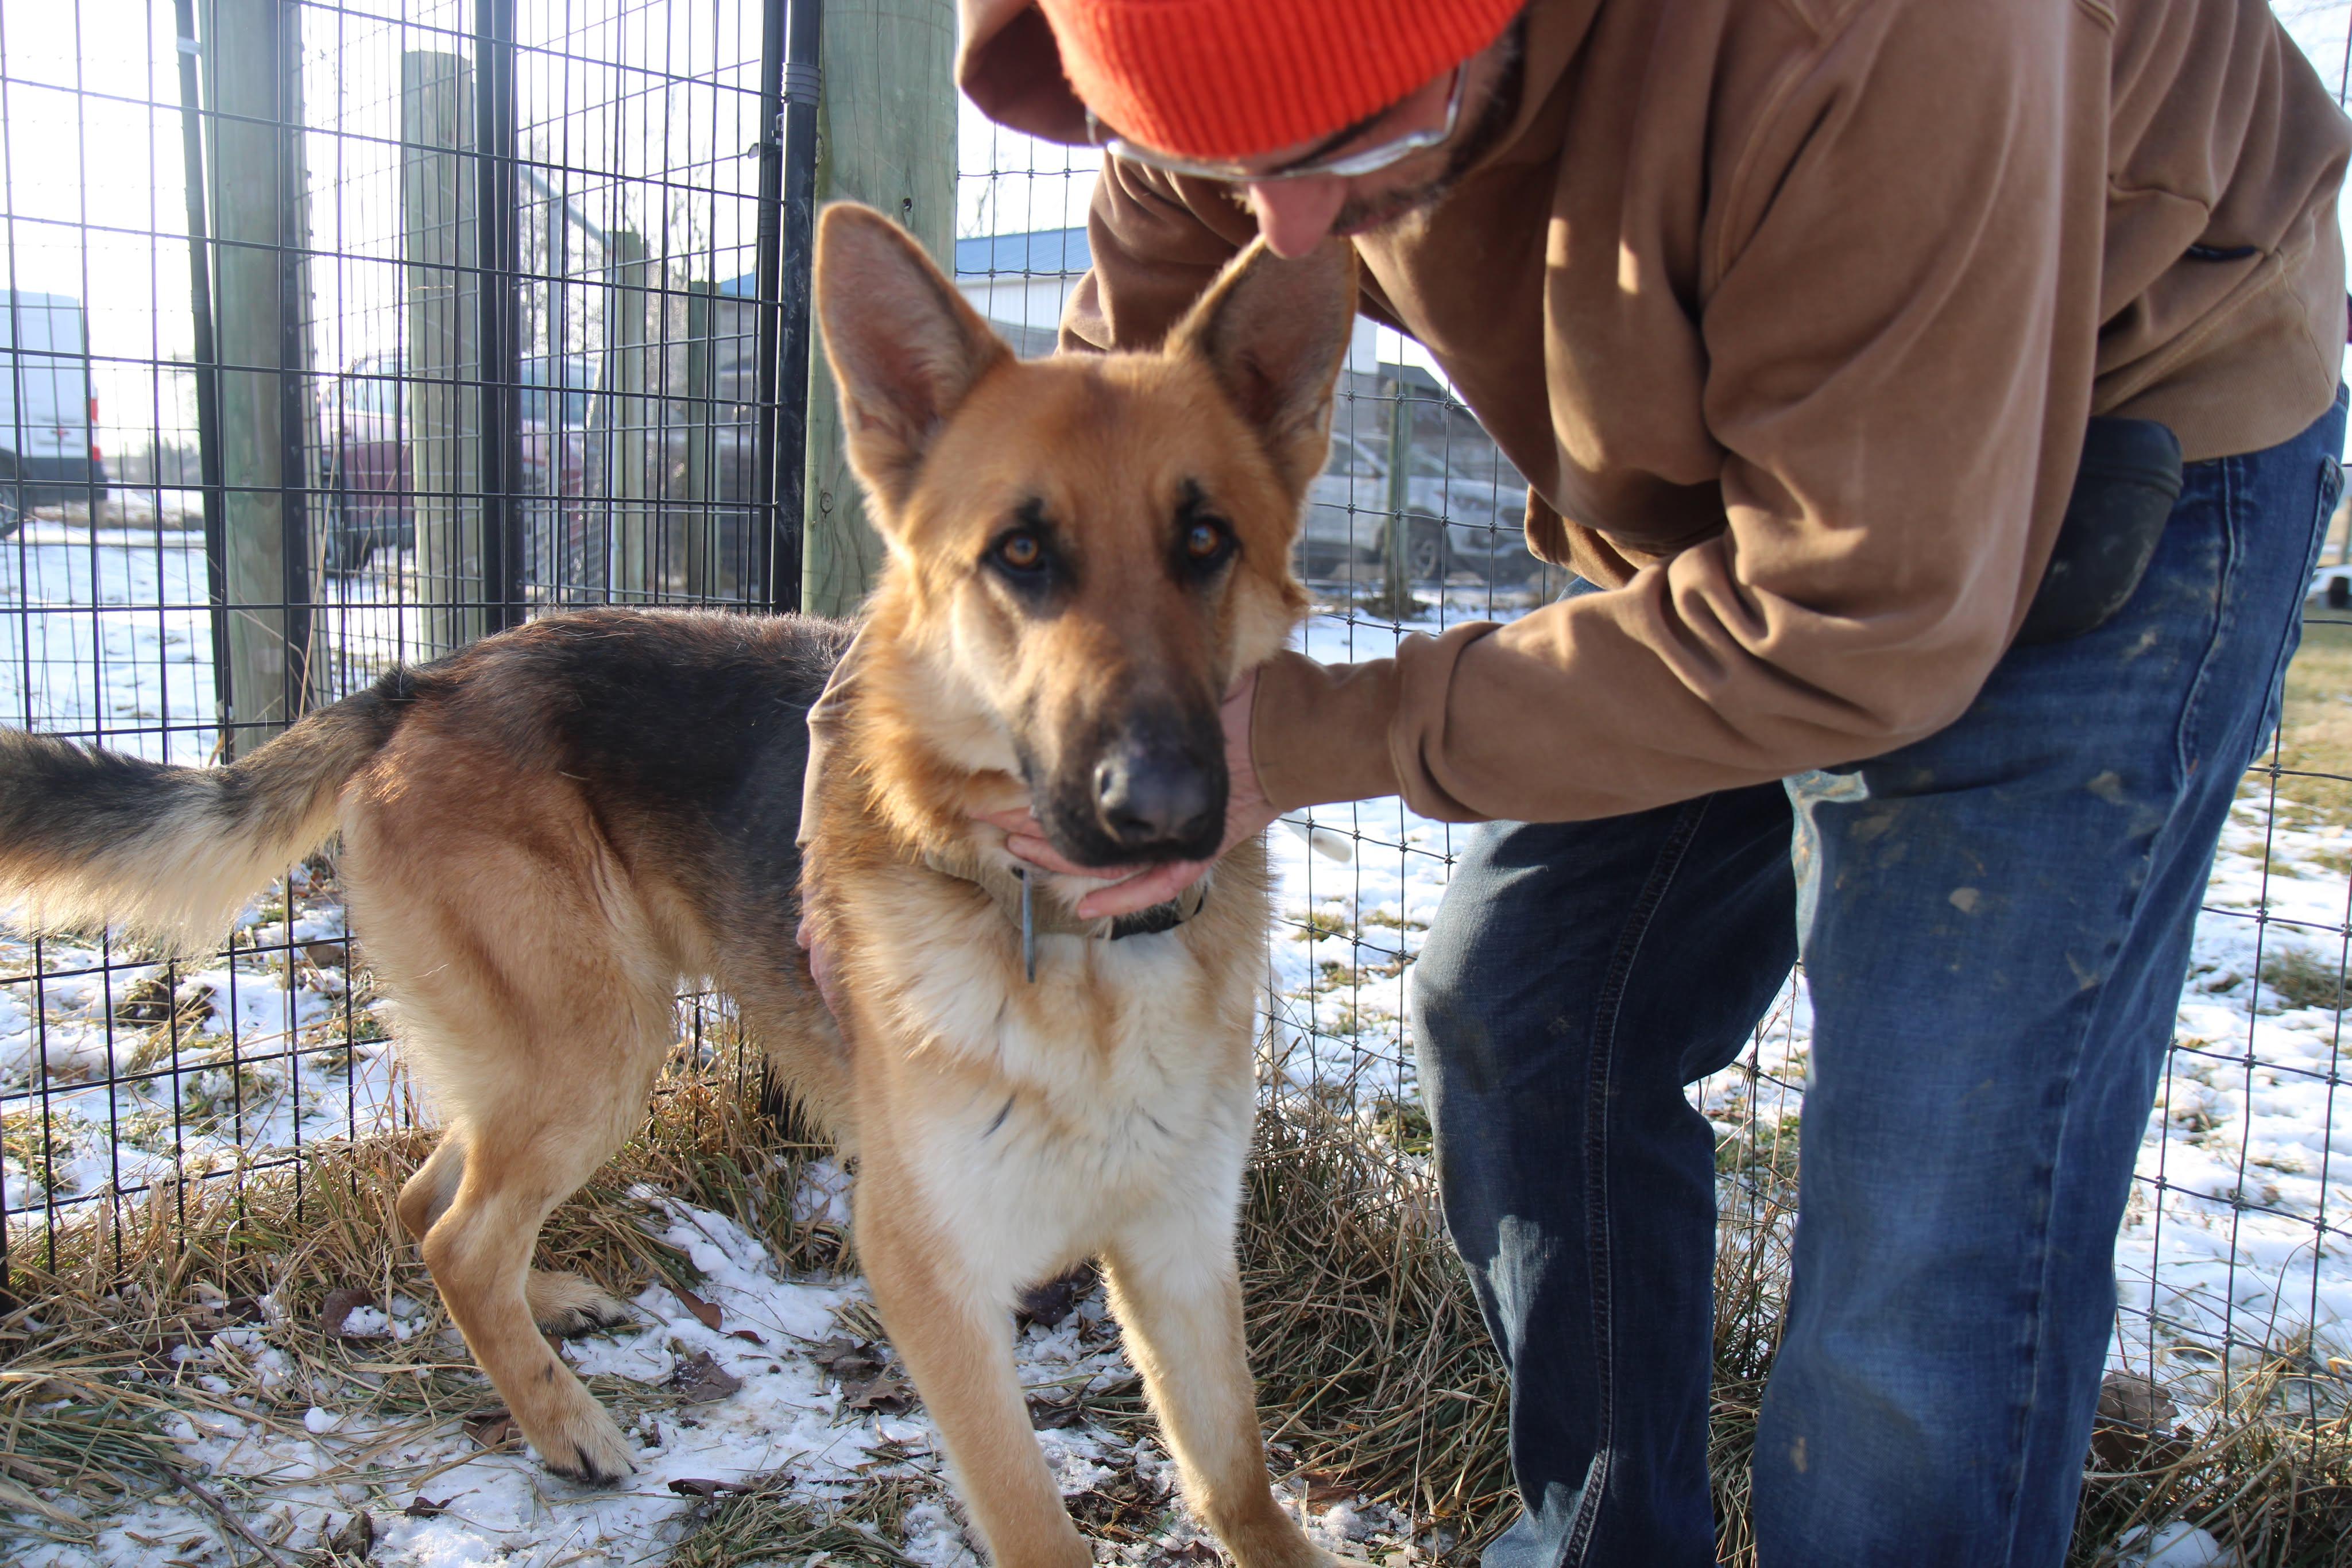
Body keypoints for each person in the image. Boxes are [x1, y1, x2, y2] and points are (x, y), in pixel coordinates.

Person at [823, 2, 2352, 1563]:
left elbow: (1851, 617)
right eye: (1219, 162)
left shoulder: (1879, 39)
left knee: (1926, 1215)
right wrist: (847, 759)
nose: (1281, 226)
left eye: (1349, 142)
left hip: (2113, 418)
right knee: (1528, 1008)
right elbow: (1077, 431)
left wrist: (1312, 737)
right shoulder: (1208, 67)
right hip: (1743, 494)